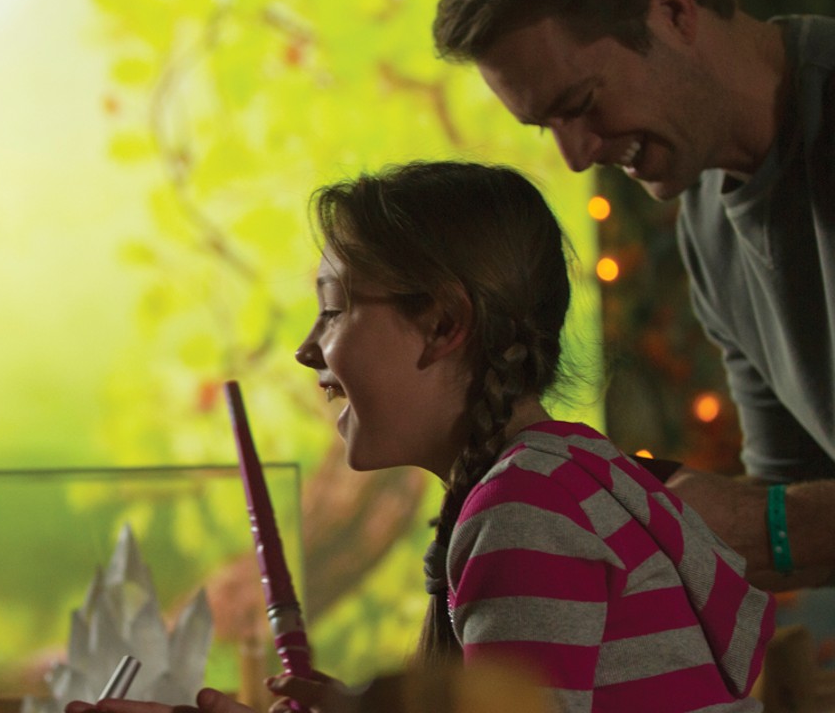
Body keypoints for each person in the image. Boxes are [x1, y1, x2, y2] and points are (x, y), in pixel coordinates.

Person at [68, 161, 773, 713]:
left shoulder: (525, 512)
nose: (309, 350)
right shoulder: (576, 472)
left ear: (442, 325)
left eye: (334, 309)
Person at [432, 0, 834, 591]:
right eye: (546, 128)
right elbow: (792, 497)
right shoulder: (710, 229)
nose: (577, 155)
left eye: (581, 104)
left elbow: (783, 523)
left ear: (673, 9)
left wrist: (761, 524)